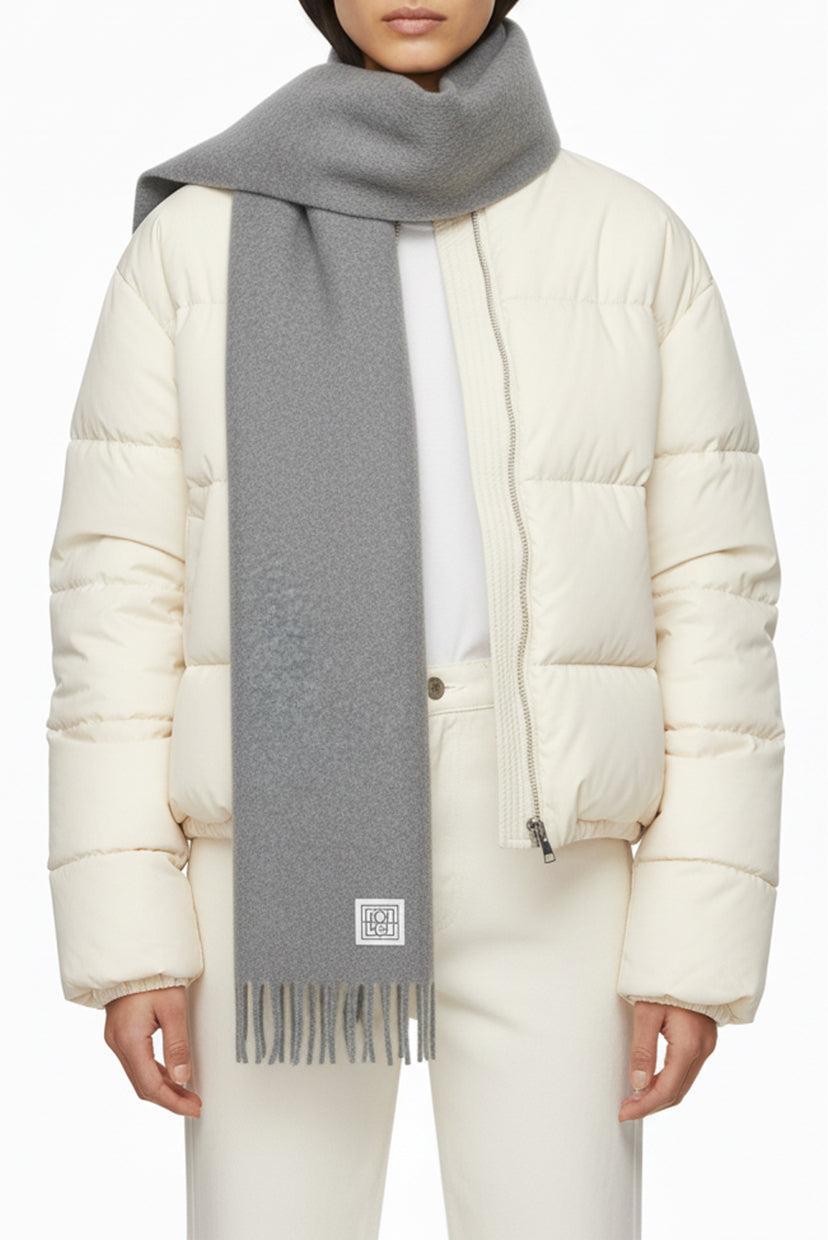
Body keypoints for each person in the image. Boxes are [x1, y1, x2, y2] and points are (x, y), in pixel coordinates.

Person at [45, 3, 784, 1237]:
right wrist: (131, 942)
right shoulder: (195, 248)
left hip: (552, 861)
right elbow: (114, 600)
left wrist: (691, 948)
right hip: (275, 849)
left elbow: (715, 603)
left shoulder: (631, 243)